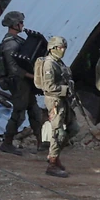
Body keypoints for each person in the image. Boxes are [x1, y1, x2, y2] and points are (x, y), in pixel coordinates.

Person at [0, 11, 44, 156]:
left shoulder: (17, 40)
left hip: (25, 82)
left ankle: (41, 143)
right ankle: (7, 143)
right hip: (18, 83)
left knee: (34, 111)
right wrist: (34, 76)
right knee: (18, 113)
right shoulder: (10, 44)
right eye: (21, 23)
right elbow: (14, 69)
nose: (23, 25)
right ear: (14, 25)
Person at [41, 36, 79, 178]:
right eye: (60, 48)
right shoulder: (49, 64)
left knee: (74, 128)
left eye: (64, 47)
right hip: (55, 101)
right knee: (57, 133)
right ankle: (52, 163)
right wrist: (65, 90)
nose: (63, 50)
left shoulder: (58, 62)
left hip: (64, 101)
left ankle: (54, 156)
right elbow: (48, 86)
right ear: (52, 48)